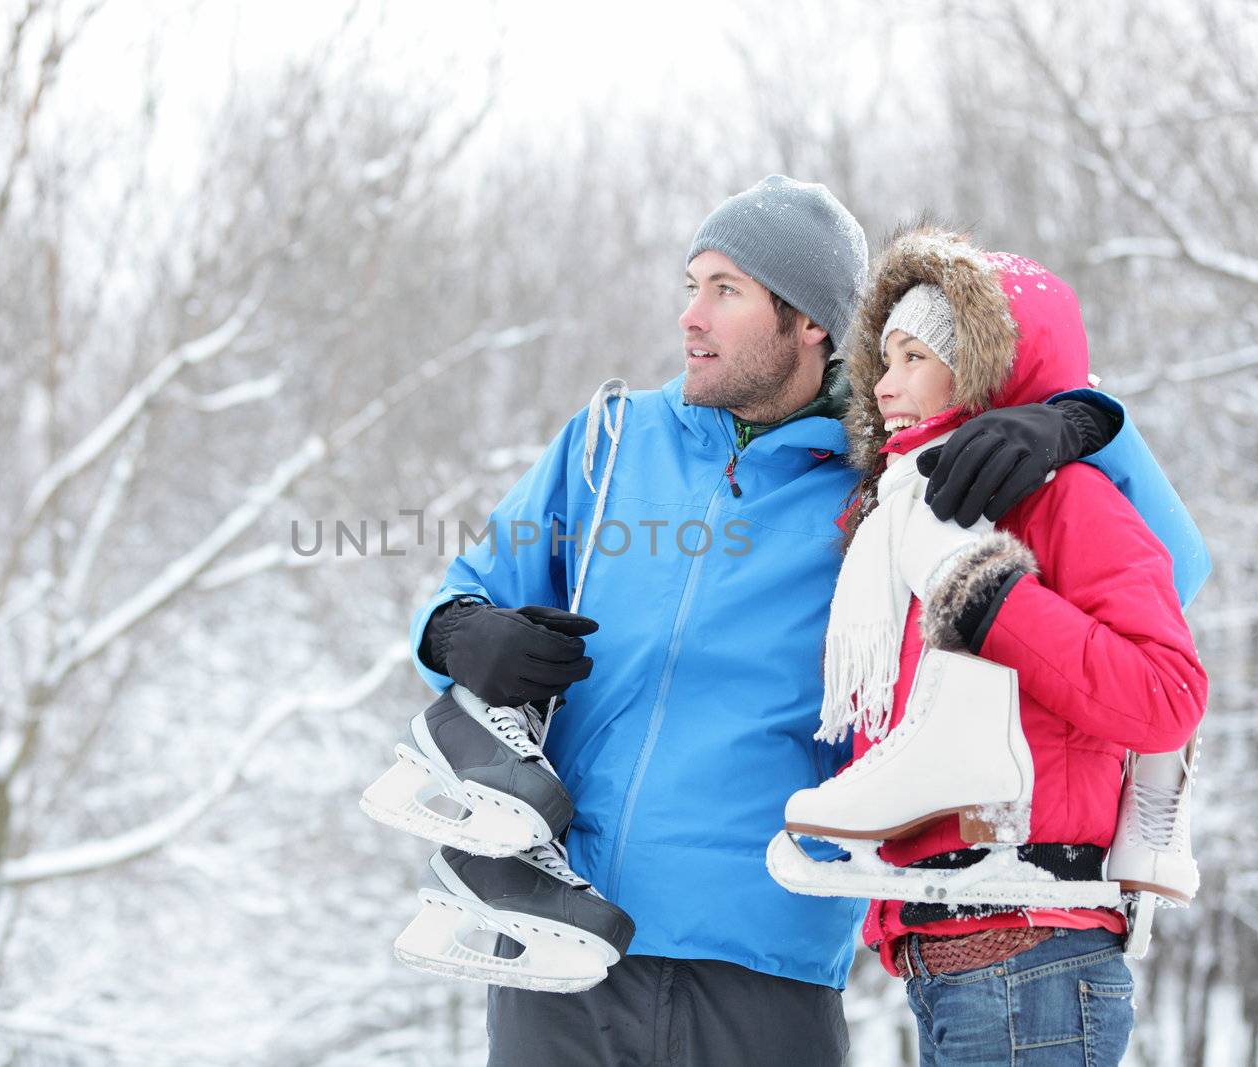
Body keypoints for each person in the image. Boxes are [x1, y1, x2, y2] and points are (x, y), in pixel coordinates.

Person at [408, 176, 1210, 1066]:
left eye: (726, 290)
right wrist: (457, 634)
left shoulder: (887, 487)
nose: (691, 318)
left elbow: (1170, 566)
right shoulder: (609, 444)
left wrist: (1080, 420)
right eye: (690, 286)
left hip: (766, 959)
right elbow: (464, 590)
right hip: (565, 944)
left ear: (809, 323)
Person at [806, 227, 1208, 1065]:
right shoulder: (898, 521)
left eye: (914, 356)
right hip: (951, 962)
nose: (883, 386)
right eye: (883, 359)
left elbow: (1167, 694)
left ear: (986, 365)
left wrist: (993, 603)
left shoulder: (1068, 502)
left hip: (1033, 955)